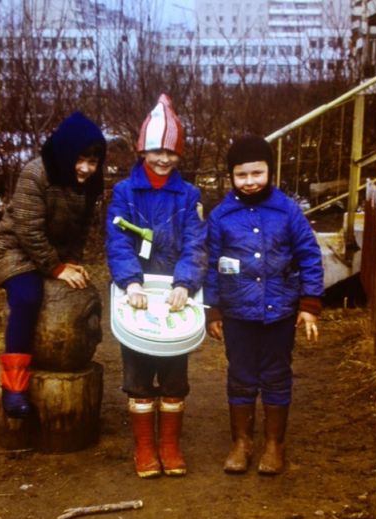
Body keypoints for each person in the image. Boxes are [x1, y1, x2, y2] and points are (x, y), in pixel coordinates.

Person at [204, 134, 324, 475]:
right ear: (231, 177)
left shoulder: (287, 210)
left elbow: (309, 255)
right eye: (241, 175)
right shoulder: (222, 216)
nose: (250, 182)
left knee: (275, 373)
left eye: (257, 173)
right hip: (238, 312)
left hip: (280, 311)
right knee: (240, 374)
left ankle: (274, 443)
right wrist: (213, 308)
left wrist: (309, 304)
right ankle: (241, 441)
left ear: (270, 171)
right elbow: (211, 264)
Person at [105, 94, 207, 478]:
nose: (163, 159)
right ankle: (145, 448)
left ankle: (170, 445)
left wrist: (186, 282)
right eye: (156, 151)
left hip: (174, 295)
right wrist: (130, 281)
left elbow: (196, 242)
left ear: (179, 154)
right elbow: (117, 240)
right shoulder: (125, 193)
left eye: (171, 152)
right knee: (137, 371)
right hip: (137, 293)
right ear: (142, 150)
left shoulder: (189, 195)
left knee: (174, 370)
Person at [0, 111, 106, 418]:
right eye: (80, 159)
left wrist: (72, 262)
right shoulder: (36, 173)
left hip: (52, 251)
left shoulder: (90, 184)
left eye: (93, 161)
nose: (85, 168)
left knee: (79, 289)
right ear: (65, 153)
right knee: (27, 297)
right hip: (16, 248)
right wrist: (55, 268)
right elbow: (27, 229)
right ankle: (14, 386)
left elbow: (81, 229)